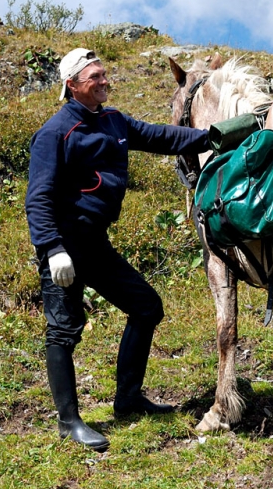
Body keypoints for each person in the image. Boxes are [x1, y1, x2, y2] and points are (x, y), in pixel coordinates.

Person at [25, 48, 210, 451]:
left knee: (146, 307)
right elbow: (38, 198)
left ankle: (128, 400)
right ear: (72, 86)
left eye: (104, 73)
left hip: (95, 243)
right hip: (65, 245)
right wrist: (53, 249)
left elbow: (160, 136)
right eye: (95, 77)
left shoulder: (113, 121)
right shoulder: (55, 133)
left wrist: (212, 136)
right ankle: (69, 421)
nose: (105, 81)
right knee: (63, 330)